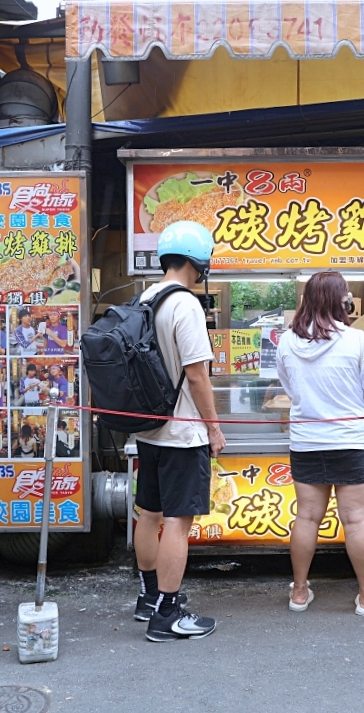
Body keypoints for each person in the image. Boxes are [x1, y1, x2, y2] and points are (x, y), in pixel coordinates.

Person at [132, 221, 225, 642]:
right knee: (177, 524)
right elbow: (198, 375)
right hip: (183, 433)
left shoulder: (146, 297)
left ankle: (148, 599)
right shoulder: (185, 304)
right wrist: (214, 428)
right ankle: (167, 614)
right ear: (199, 261)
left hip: (149, 430)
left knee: (148, 514)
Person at [276, 271, 364, 616]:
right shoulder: (357, 341)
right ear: (341, 300)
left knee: (307, 518)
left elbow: (290, 389)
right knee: (355, 520)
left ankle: (299, 592)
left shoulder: (286, 342)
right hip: (353, 440)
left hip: (308, 440)